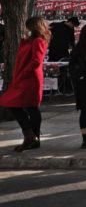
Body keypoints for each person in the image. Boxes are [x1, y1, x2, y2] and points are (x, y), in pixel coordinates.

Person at [0, 16, 50, 152]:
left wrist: (23, 74)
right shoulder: (30, 41)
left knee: (29, 106)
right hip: (23, 77)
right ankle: (31, 136)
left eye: (27, 26)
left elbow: (36, 61)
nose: (25, 29)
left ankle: (31, 136)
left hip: (30, 78)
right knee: (14, 104)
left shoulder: (38, 41)